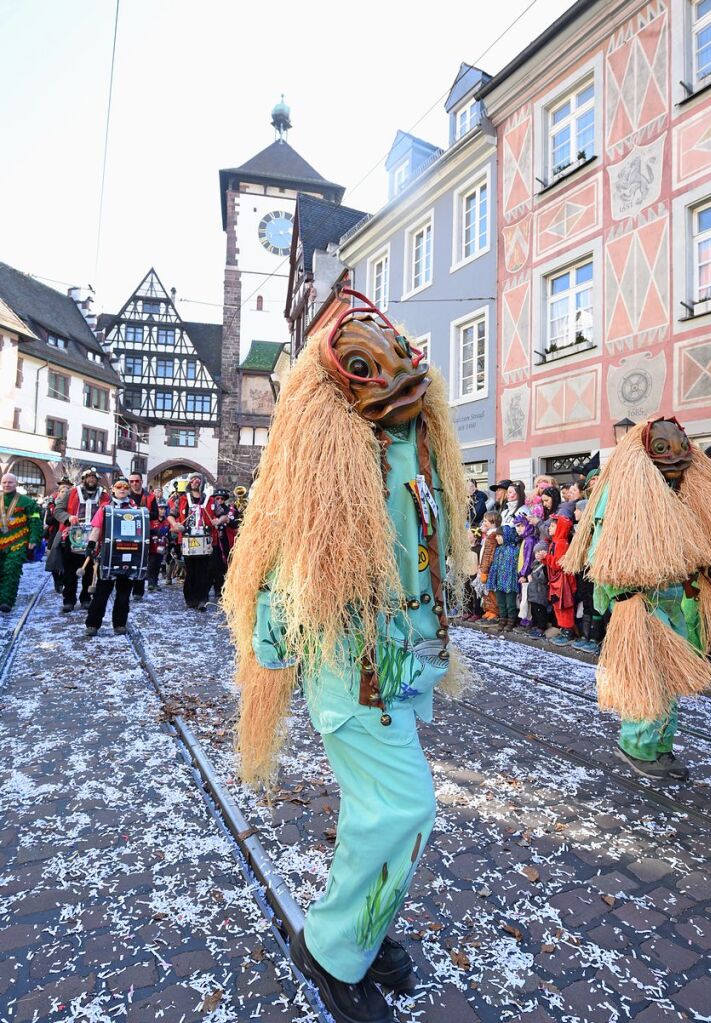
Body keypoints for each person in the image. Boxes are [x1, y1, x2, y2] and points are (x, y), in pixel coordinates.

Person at [222, 292, 468, 1023]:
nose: (396, 381)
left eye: (402, 363)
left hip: (401, 662)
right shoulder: (324, 461)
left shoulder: (410, 450)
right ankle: (331, 949)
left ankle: (366, 921)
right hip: (350, 664)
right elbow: (282, 561)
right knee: (403, 807)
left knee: (380, 808)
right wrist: (275, 645)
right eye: (367, 367)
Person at [563, 417, 711, 781]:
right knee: (648, 678)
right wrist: (626, 597)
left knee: (670, 678)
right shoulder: (621, 495)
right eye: (662, 450)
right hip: (640, 603)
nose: (674, 459)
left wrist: (707, 572)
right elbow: (602, 555)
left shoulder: (677, 492)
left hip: (672, 600)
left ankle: (660, 746)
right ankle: (637, 746)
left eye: (679, 449)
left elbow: (689, 545)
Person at [84, 477, 141, 636]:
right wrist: (91, 545)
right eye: (118, 486)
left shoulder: (135, 508)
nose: (122, 489)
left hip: (129, 553)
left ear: (128, 490)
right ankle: (93, 624)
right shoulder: (105, 508)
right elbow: (96, 529)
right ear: (113, 489)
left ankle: (120, 624)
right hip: (108, 555)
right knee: (102, 592)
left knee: (124, 594)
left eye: (125, 487)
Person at [55, 467, 108, 612]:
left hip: (94, 537)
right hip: (74, 535)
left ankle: (86, 598)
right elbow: (58, 510)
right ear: (83, 479)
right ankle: (69, 599)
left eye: (94, 478)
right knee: (70, 570)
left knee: (91, 569)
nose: (91, 480)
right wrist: (69, 517)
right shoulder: (71, 493)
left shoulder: (104, 496)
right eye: (88, 477)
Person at [169, 474, 217, 610]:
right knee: (191, 570)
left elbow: (222, 514)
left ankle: (202, 599)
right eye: (193, 480)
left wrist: (218, 520)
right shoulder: (183, 499)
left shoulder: (210, 500)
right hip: (188, 539)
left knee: (204, 570)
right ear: (190, 483)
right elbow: (171, 515)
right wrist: (176, 524)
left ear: (202, 483)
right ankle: (191, 598)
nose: (195, 482)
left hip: (206, 539)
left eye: (198, 480)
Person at [0, 472, 43, 613]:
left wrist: (34, 539)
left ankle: (6, 601)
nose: (7, 485)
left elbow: (35, 522)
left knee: (12, 569)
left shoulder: (27, 502)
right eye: (4, 482)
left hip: (18, 543)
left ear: (16, 484)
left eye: (10, 482)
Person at [485, 509, 520, 632]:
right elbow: (495, 565)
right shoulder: (499, 549)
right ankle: (502, 619)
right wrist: (492, 579)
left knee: (510, 603)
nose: (498, 538)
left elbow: (516, 566)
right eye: (497, 536)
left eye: (500, 536)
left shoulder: (514, 550)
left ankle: (511, 620)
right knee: (501, 602)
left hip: (510, 582)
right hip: (500, 581)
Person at [546, 514, 577, 645]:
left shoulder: (561, 543)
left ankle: (568, 632)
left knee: (564, 606)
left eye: (553, 526)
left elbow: (558, 564)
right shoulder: (555, 542)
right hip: (556, 581)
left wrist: (545, 558)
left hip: (562, 582)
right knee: (558, 606)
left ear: (560, 528)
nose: (549, 528)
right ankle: (563, 629)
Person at [127, 472, 158, 600]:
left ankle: (138, 591)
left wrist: (141, 513)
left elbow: (156, 514)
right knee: (129, 560)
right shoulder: (126, 495)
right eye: (132, 481)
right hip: (128, 532)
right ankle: (127, 588)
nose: (135, 483)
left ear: (141, 482)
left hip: (144, 532)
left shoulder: (150, 497)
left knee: (141, 561)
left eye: (137, 481)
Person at [44, 477, 72, 592]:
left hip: (67, 534)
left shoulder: (72, 502)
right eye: (62, 490)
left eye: (67, 489)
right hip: (53, 534)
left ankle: (65, 581)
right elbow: (48, 520)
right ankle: (57, 581)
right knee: (54, 561)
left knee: (66, 561)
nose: (64, 492)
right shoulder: (52, 504)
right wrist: (59, 516)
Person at [514, 514, 537, 629]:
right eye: (517, 526)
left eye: (521, 525)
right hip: (523, 574)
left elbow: (528, 559)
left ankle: (528, 620)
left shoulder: (530, 540)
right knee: (523, 597)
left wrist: (524, 573)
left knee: (527, 598)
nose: (518, 529)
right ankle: (524, 619)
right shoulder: (525, 540)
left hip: (527, 575)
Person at [527, 541, 550, 638]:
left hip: (540, 592)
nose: (537, 555)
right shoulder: (535, 563)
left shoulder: (544, 565)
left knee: (540, 610)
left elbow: (543, 578)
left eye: (539, 552)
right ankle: (536, 625)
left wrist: (532, 577)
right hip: (533, 592)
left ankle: (541, 627)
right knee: (534, 610)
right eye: (535, 552)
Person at [147, 501, 171, 591]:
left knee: (158, 565)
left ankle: (155, 583)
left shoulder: (166, 522)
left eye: (164, 509)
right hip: (152, 547)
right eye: (161, 509)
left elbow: (168, 534)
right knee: (151, 565)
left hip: (161, 547)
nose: (163, 511)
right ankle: (150, 583)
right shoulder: (152, 521)